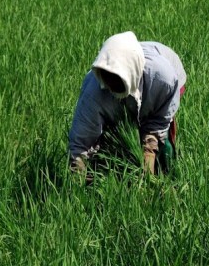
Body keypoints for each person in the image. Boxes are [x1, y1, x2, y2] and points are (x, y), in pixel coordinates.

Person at [68, 31, 186, 178]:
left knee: (163, 141)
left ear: (130, 72)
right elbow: (80, 143)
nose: (110, 84)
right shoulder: (94, 93)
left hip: (163, 80)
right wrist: (77, 177)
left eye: (116, 78)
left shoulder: (163, 79)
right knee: (112, 137)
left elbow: (159, 122)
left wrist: (149, 154)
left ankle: (167, 172)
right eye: (107, 76)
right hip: (135, 85)